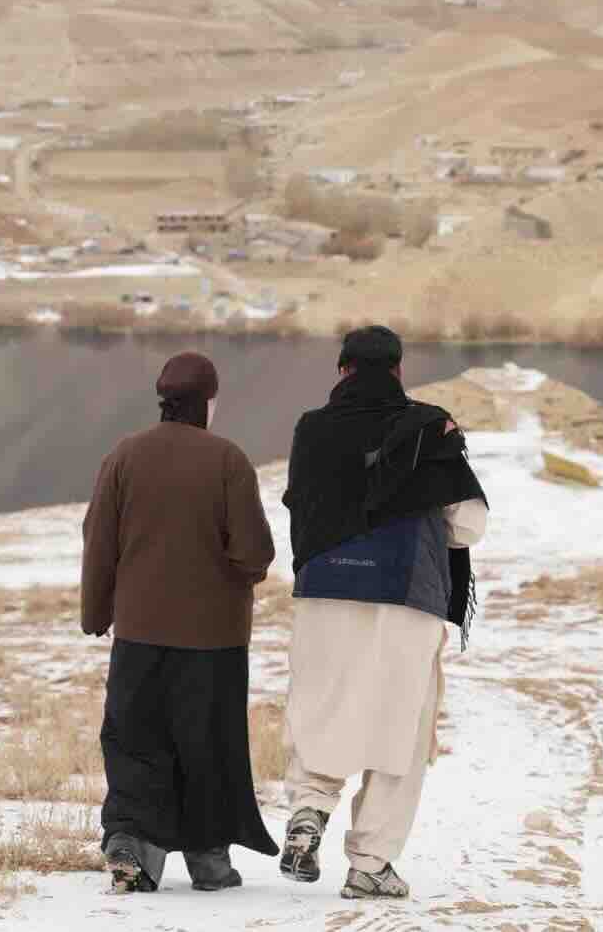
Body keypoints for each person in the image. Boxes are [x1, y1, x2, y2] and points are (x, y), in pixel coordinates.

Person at [278, 326, 489, 900]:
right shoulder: (429, 427)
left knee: (322, 703)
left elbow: (300, 506)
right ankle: (370, 862)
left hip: (323, 589)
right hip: (406, 594)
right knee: (400, 727)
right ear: (398, 371)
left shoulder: (312, 429)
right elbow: (468, 525)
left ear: (342, 370)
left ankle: (309, 809)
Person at [81, 351, 280, 893]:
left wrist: (97, 612)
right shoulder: (228, 460)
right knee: (207, 744)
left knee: (135, 739)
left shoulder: (124, 455)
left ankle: (132, 847)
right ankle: (209, 863)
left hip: (139, 633)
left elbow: (99, 540)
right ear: (208, 402)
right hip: (214, 639)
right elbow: (252, 553)